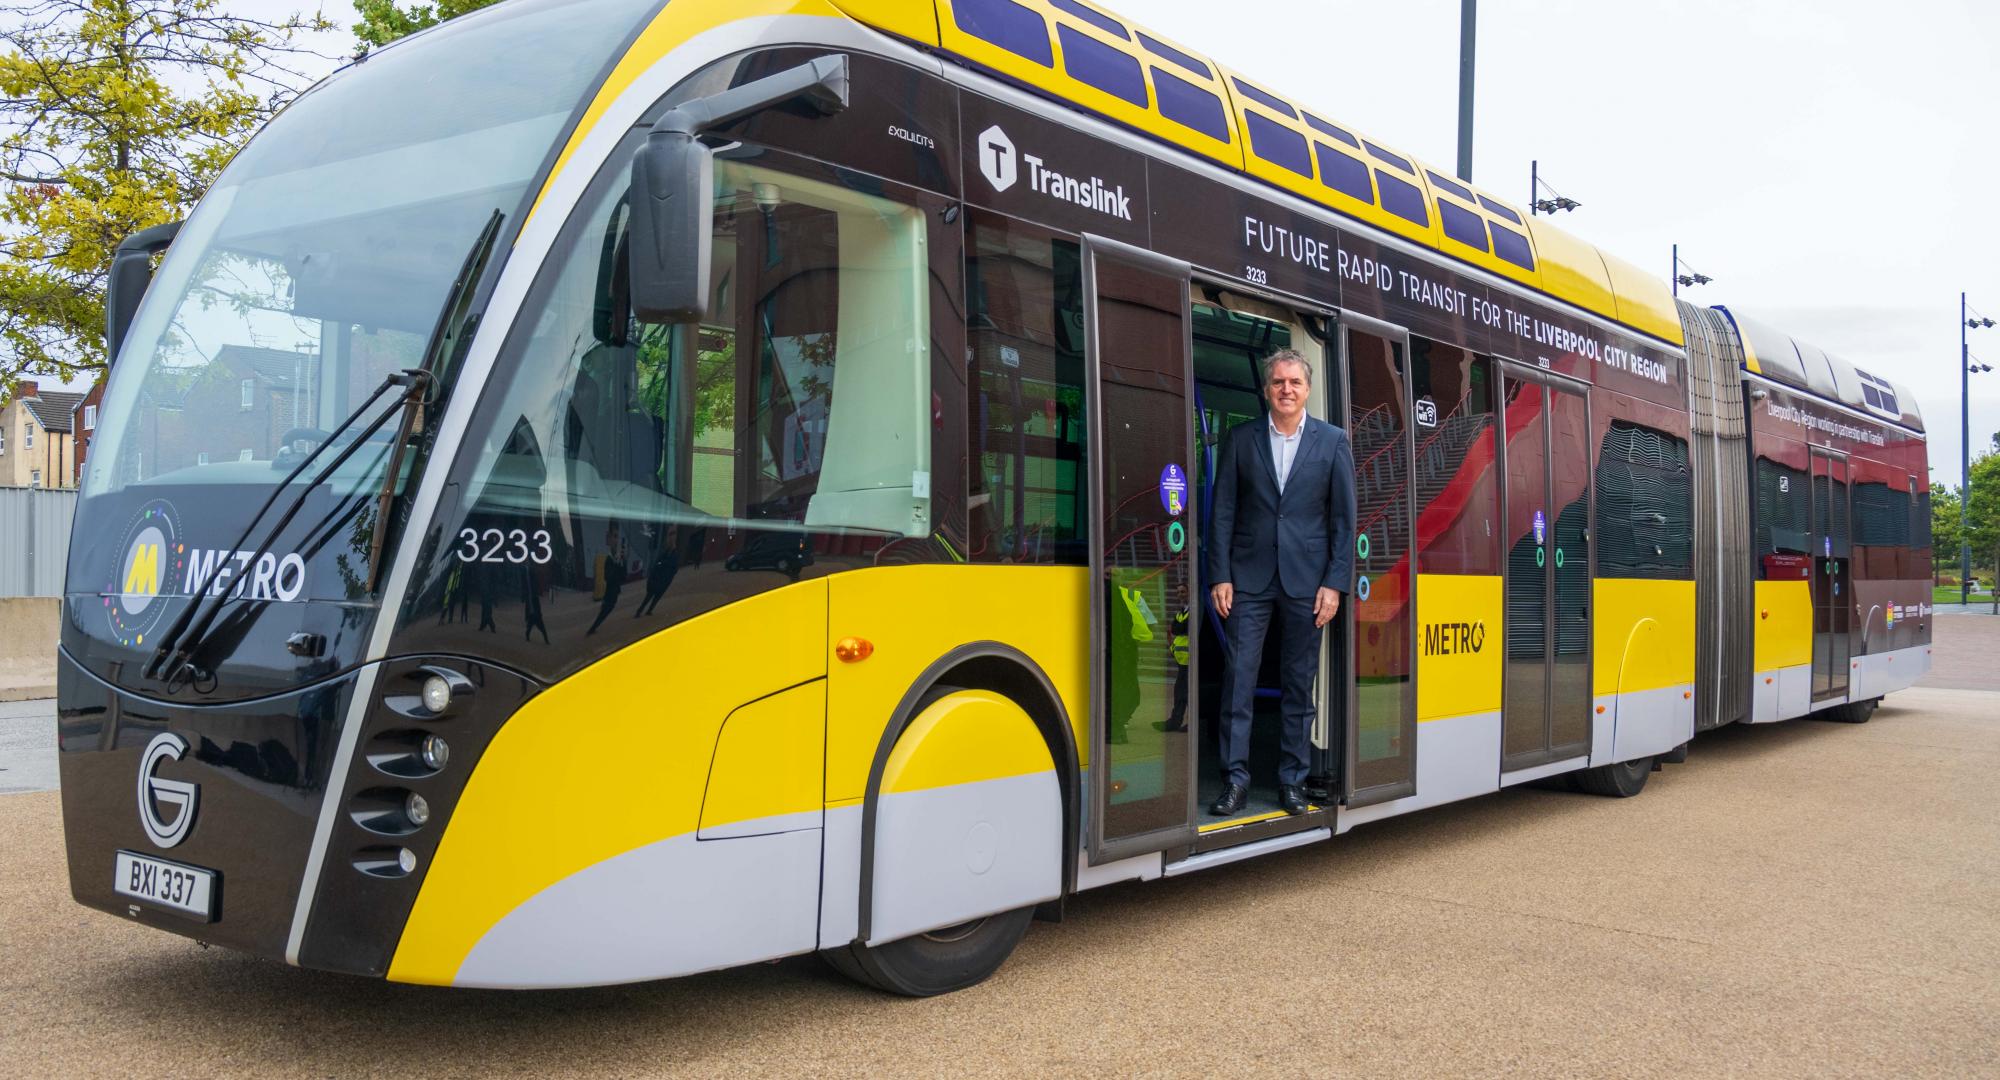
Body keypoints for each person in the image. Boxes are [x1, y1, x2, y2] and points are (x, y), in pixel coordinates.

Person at [1205, 348, 1356, 817]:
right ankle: (1235, 781)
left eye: (1294, 382)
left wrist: (1334, 583)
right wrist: (1220, 574)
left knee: (1297, 684)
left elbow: (1343, 522)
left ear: (1307, 389)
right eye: (1277, 382)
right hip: (1247, 580)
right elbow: (1223, 511)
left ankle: (1292, 780)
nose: (1286, 389)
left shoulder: (1333, 442)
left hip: (1308, 584)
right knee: (1238, 681)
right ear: (1266, 390)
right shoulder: (1241, 439)